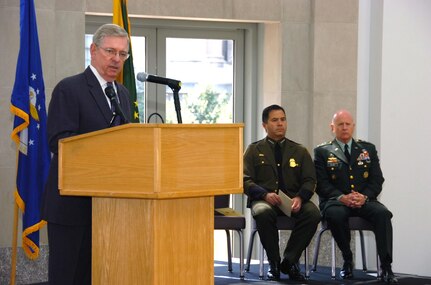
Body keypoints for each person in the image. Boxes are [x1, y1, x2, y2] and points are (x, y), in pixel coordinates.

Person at [41, 23, 132, 284]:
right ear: (93, 50)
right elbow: (59, 141)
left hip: (109, 207)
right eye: (110, 51)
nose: (116, 59)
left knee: (97, 276)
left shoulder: (122, 94)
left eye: (122, 54)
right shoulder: (69, 89)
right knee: (68, 277)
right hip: (72, 206)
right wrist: (104, 151)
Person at [314, 110, 398, 284]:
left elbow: (377, 179)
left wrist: (364, 197)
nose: (344, 127)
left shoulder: (367, 149)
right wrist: (341, 197)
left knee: (383, 214)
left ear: (353, 126)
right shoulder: (322, 151)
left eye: (347, 124)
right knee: (336, 215)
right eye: (340, 124)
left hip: (363, 200)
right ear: (332, 127)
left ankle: (386, 266)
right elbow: (321, 184)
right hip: (336, 202)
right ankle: (347, 260)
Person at [243, 104, 320, 281]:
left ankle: (290, 260)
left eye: (283, 119)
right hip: (265, 199)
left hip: (294, 200)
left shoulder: (299, 151)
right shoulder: (254, 150)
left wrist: (301, 197)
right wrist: (264, 194)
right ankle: (274, 263)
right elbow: (244, 180)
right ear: (265, 125)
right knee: (262, 213)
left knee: (313, 213)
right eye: (275, 120)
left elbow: (310, 180)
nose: (280, 124)